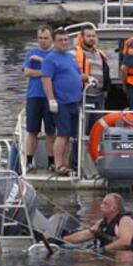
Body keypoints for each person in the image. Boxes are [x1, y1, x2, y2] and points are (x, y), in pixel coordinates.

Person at [42, 29, 82, 176]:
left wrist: (87, 78)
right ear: (54, 41)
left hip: (74, 101)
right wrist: (51, 100)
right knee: (62, 134)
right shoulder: (50, 59)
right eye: (60, 40)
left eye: (66, 39)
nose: (64, 42)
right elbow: (46, 80)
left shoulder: (71, 57)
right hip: (61, 101)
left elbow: (77, 73)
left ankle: (65, 163)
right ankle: (58, 164)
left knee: (70, 135)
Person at [63, 193, 133, 252]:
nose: (101, 205)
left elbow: (125, 242)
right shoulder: (102, 222)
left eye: (105, 204)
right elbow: (85, 234)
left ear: (113, 208)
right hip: (110, 254)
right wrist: (63, 240)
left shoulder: (125, 220)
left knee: (124, 257)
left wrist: (103, 250)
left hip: (129, 257)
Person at [23, 25, 56, 171]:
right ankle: (29, 161)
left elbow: (57, 71)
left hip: (50, 97)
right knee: (32, 131)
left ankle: (51, 162)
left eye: (45, 38)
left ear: (51, 38)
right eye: (40, 38)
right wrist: (44, 72)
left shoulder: (56, 53)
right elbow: (27, 72)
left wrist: (42, 62)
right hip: (34, 96)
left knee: (50, 131)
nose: (42, 41)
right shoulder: (31, 52)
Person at [74, 25, 111, 131]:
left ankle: (96, 147)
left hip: (99, 97)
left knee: (98, 128)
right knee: (81, 128)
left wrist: (106, 90)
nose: (91, 38)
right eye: (88, 36)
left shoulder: (100, 54)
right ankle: (79, 147)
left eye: (93, 36)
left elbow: (106, 74)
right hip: (83, 96)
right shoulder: (75, 53)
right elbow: (71, 74)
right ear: (82, 37)